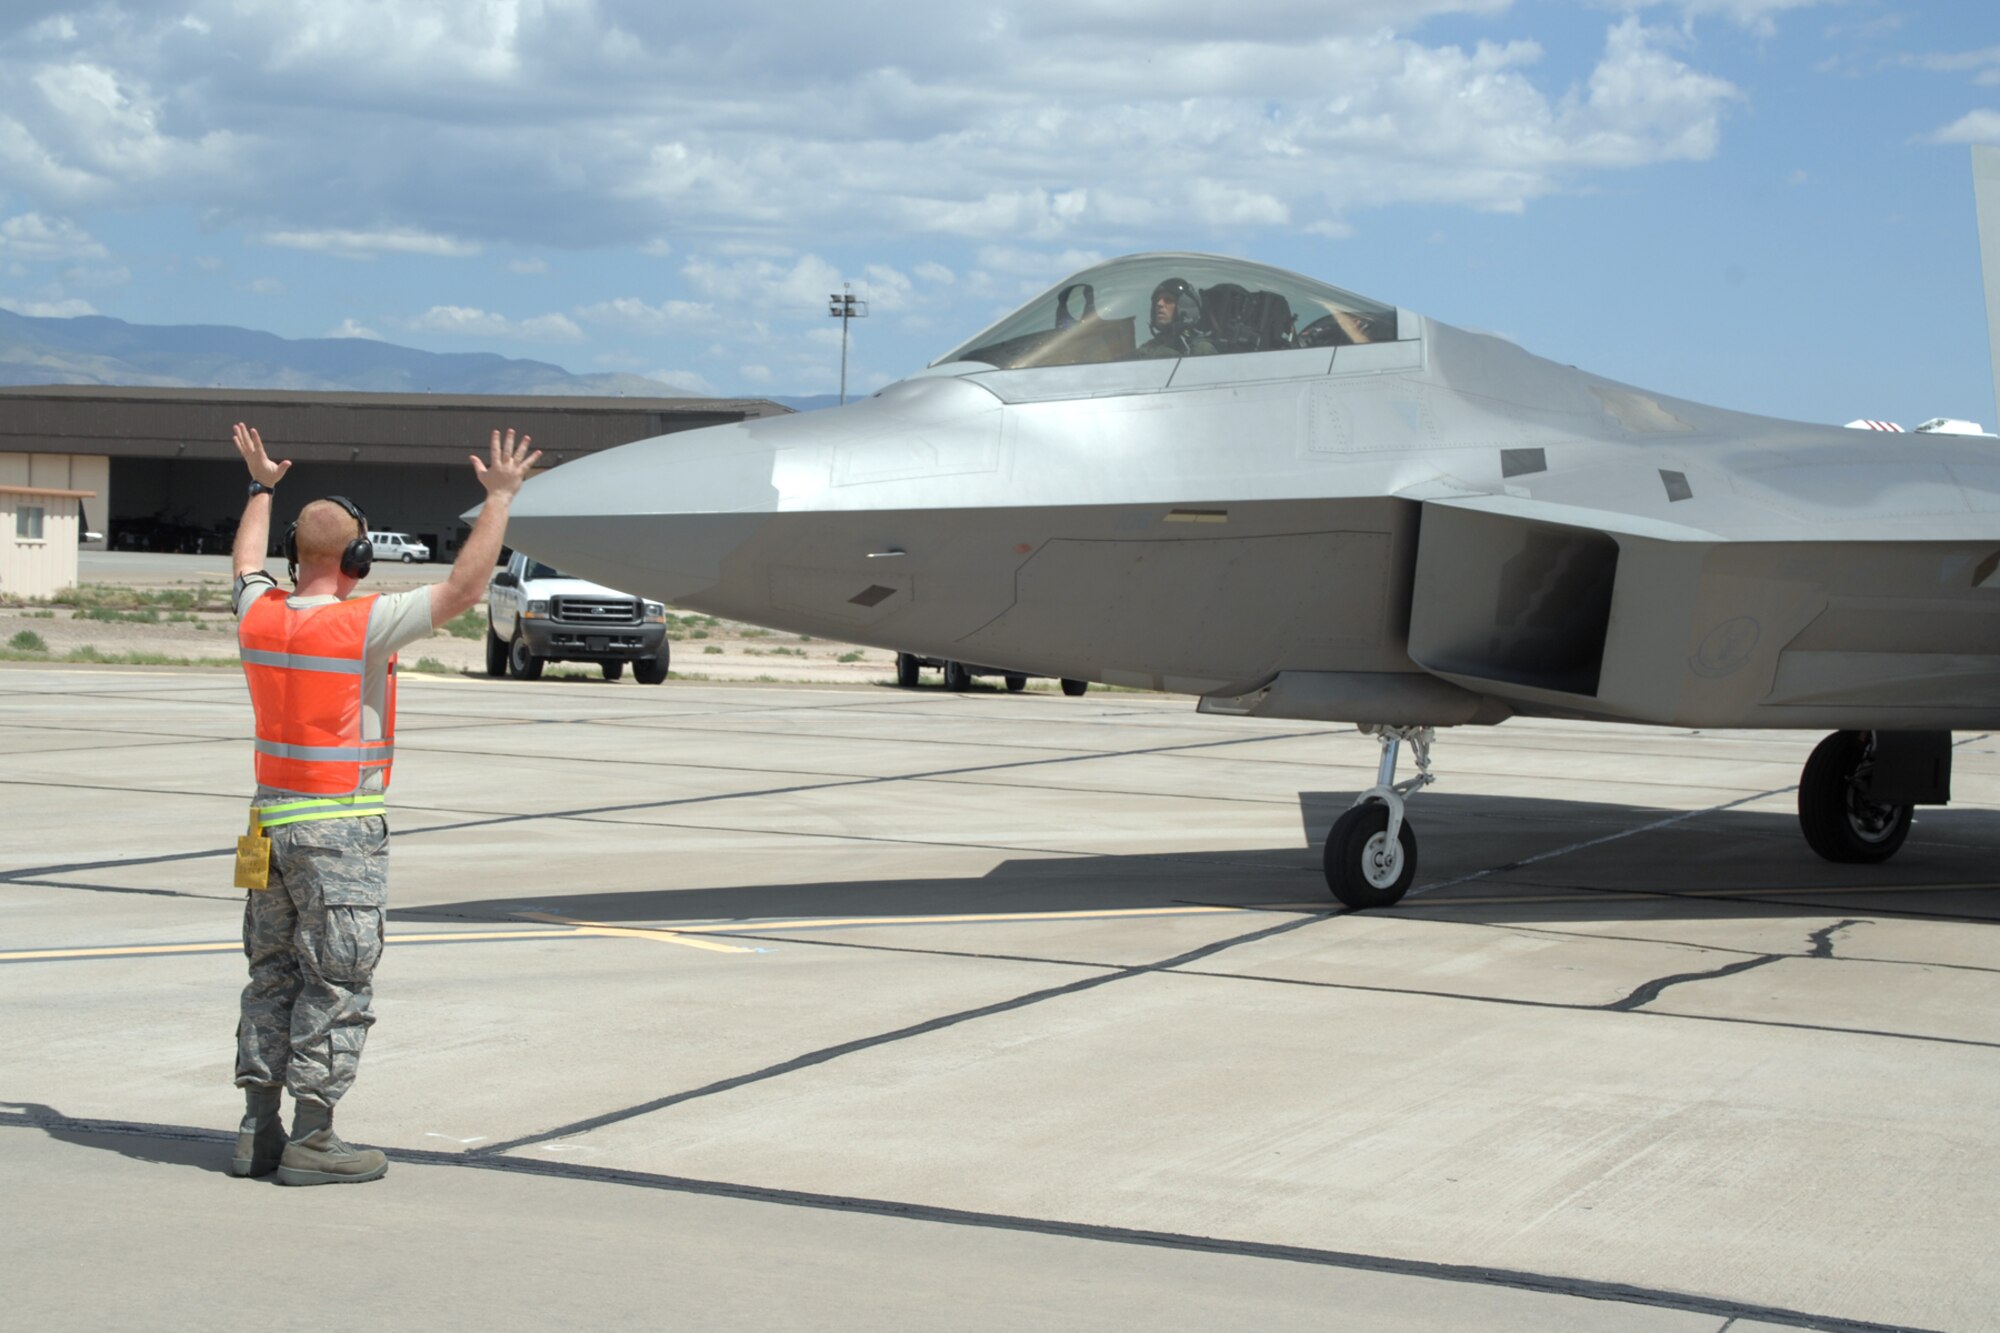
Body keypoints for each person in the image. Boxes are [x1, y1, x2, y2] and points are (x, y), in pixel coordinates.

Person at [226, 421, 540, 1185]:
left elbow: (243, 563)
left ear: (294, 556)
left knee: (271, 973)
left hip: (266, 825)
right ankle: (314, 1139)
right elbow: (467, 588)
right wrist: (499, 498)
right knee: (337, 979)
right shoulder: (360, 624)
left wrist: (261, 487)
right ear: (360, 560)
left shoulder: (257, 614)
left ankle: (256, 1130)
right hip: (337, 831)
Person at [1134, 277, 1216, 359]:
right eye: (1157, 300)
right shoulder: (1150, 347)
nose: (1159, 304)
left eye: (1168, 300)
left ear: (1184, 306)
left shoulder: (1201, 349)